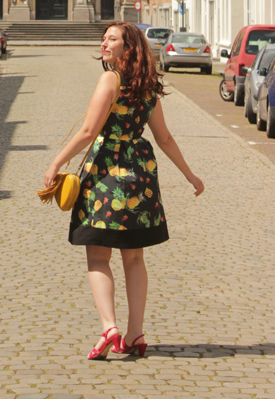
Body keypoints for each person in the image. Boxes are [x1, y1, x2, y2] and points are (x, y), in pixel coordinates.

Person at [44, 21, 204, 360]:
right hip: (141, 176)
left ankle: (109, 327)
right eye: (104, 38)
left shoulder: (110, 79)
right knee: (134, 257)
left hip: (106, 176)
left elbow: (89, 131)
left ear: (127, 48)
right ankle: (135, 333)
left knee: (98, 255)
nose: (104, 43)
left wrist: (56, 162)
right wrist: (190, 175)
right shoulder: (147, 86)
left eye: (112, 39)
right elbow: (164, 138)